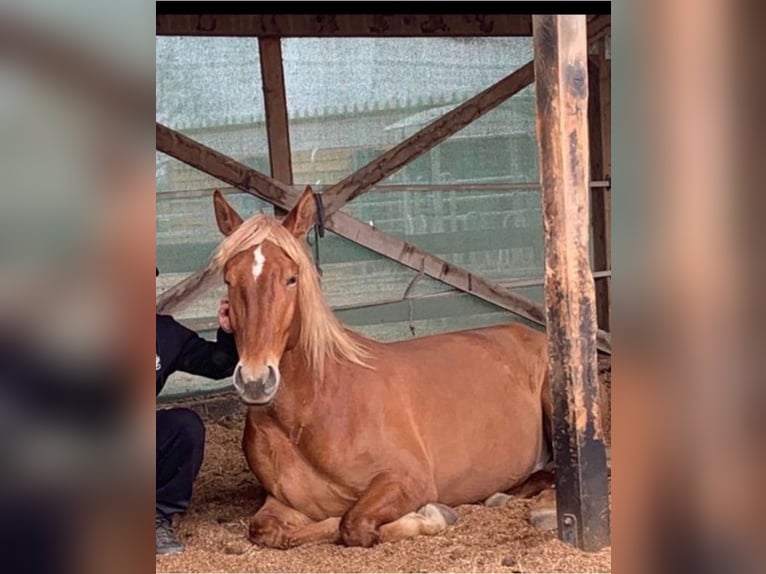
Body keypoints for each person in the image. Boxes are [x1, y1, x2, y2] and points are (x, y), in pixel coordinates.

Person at [156, 267, 238, 555]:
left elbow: (218, 364)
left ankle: (155, 517)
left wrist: (229, 332)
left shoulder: (163, 333)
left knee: (185, 427)